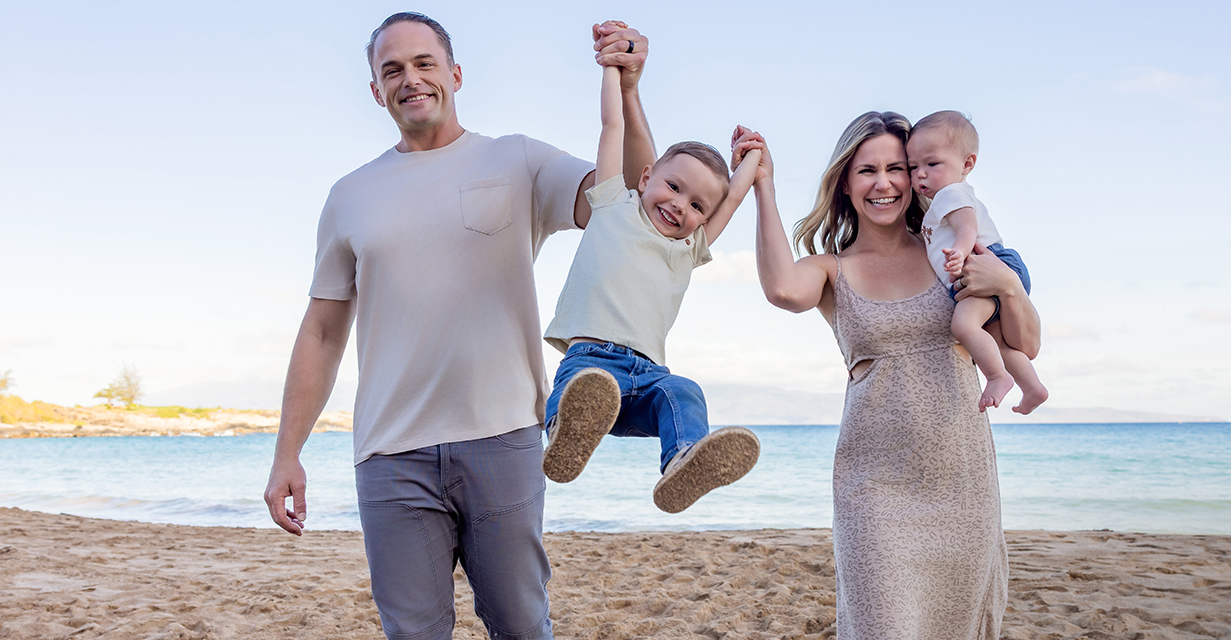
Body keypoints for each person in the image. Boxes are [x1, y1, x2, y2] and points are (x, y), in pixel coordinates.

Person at [261, 13, 654, 640]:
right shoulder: (350, 195)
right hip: (391, 454)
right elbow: (322, 332)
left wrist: (628, 91)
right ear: (375, 90)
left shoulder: (517, 159)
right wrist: (287, 452)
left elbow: (632, 198)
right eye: (392, 70)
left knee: (522, 626)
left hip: (503, 438)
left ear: (455, 75)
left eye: (424, 63)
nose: (410, 79)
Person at [739, 112, 1040, 639]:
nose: (884, 183)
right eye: (867, 170)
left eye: (897, 168)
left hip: (960, 482)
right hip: (873, 489)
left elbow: (1026, 345)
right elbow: (784, 289)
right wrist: (764, 185)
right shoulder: (832, 269)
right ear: (846, 183)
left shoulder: (948, 252)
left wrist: (1008, 286)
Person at [540, 31, 763, 514]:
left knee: (684, 391)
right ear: (646, 178)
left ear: (704, 218)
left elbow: (737, 197)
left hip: (646, 378)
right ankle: (564, 431)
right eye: (673, 186)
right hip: (592, 364)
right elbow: (610, 126)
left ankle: (682, 460)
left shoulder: (687, 249)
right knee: (585, 388)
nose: (679, 205)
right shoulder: (611, 204)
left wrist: (753, 160)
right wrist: (611, 71)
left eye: (696, 204)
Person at [908, 110, 1047, 414]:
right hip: (985, 270)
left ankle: (998, 377)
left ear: (967, 163)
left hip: (985, 266)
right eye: (912, 167)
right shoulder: (943, 200)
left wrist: (959, 253)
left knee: (964, 325)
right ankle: (1033, 388)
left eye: (932, 164)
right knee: (996, 342)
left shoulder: (950, 194)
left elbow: (967, 227)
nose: (920, 174)